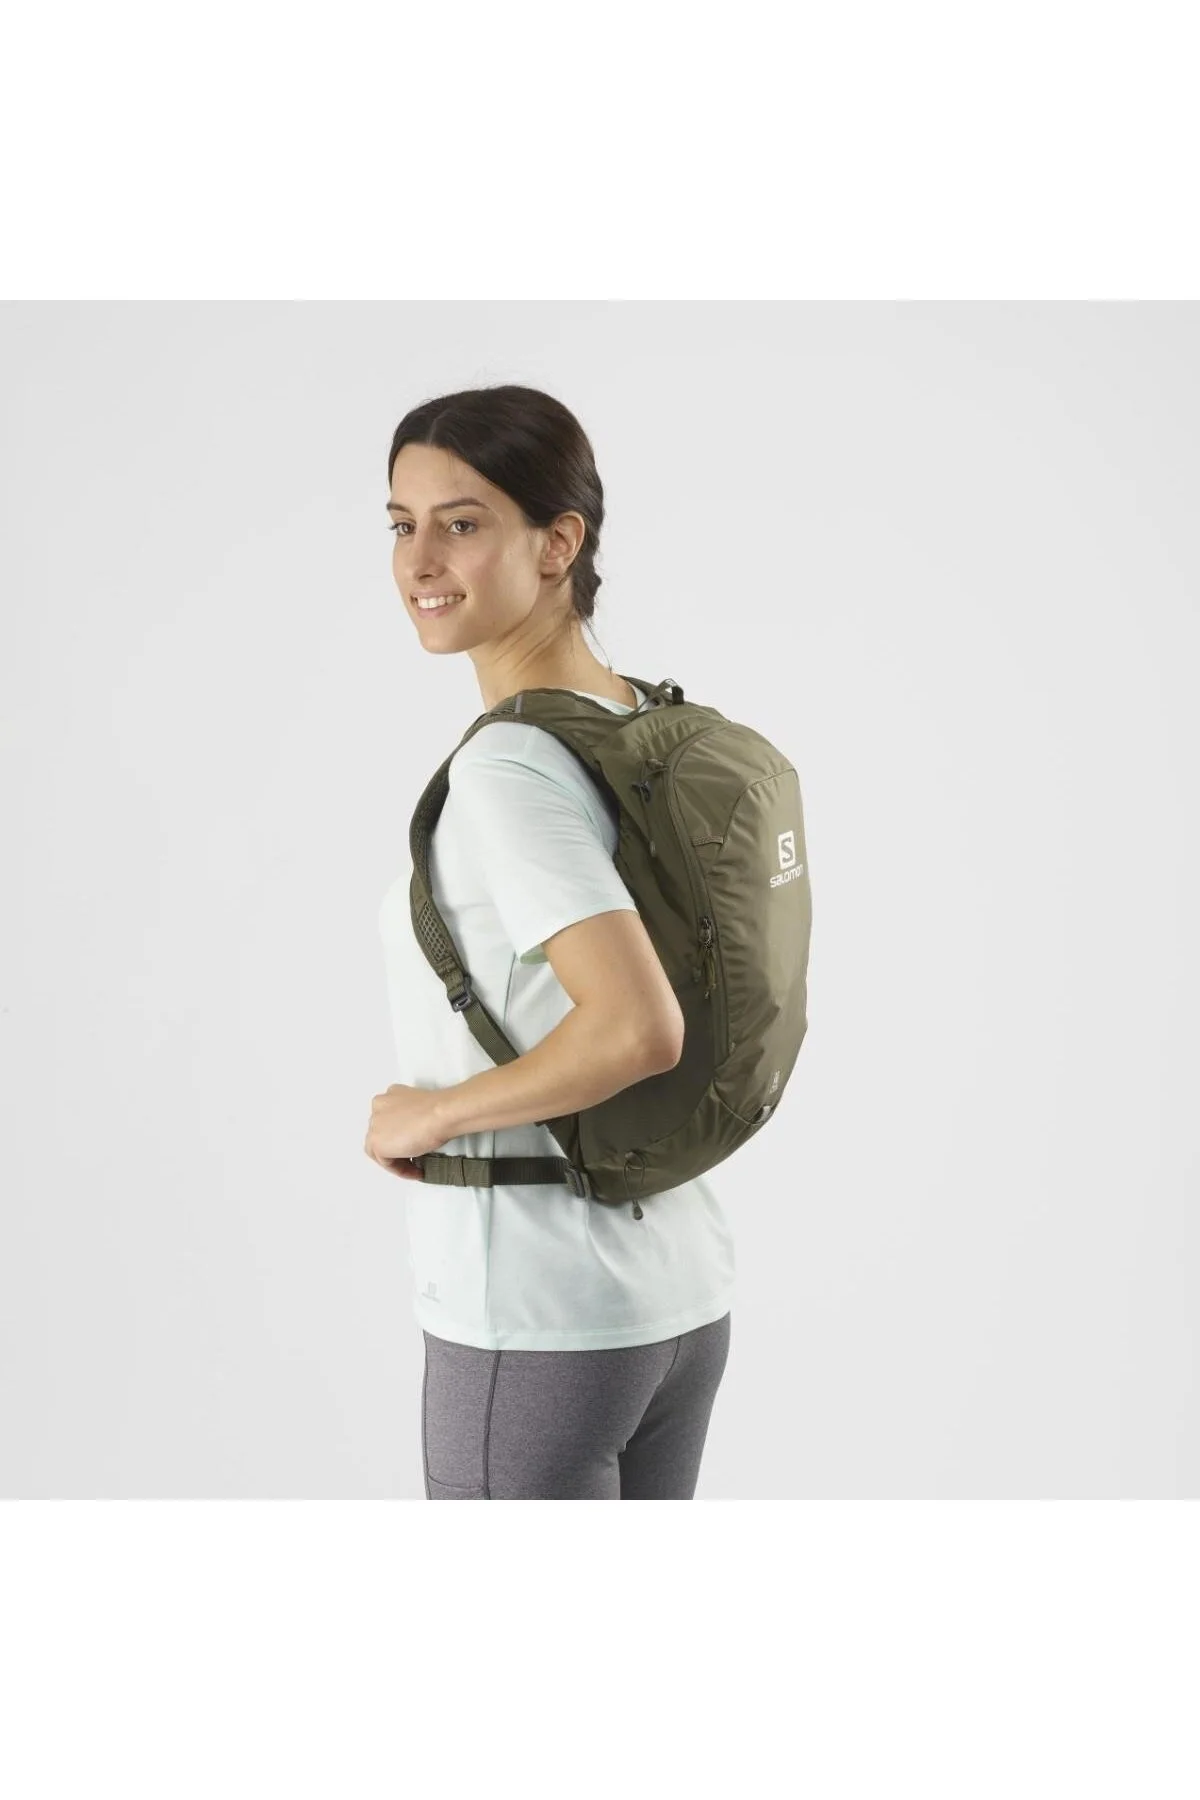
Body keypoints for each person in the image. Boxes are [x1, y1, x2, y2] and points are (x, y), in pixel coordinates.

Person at [374, 385, 734, 1499]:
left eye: (462, 523)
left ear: (558, 542)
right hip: (675, 1295)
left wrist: (433, 1114)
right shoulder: (638, 725)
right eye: (401, 523)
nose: (420, 560)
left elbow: (636, 1027)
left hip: (537, 1309)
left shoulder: (512, 766)